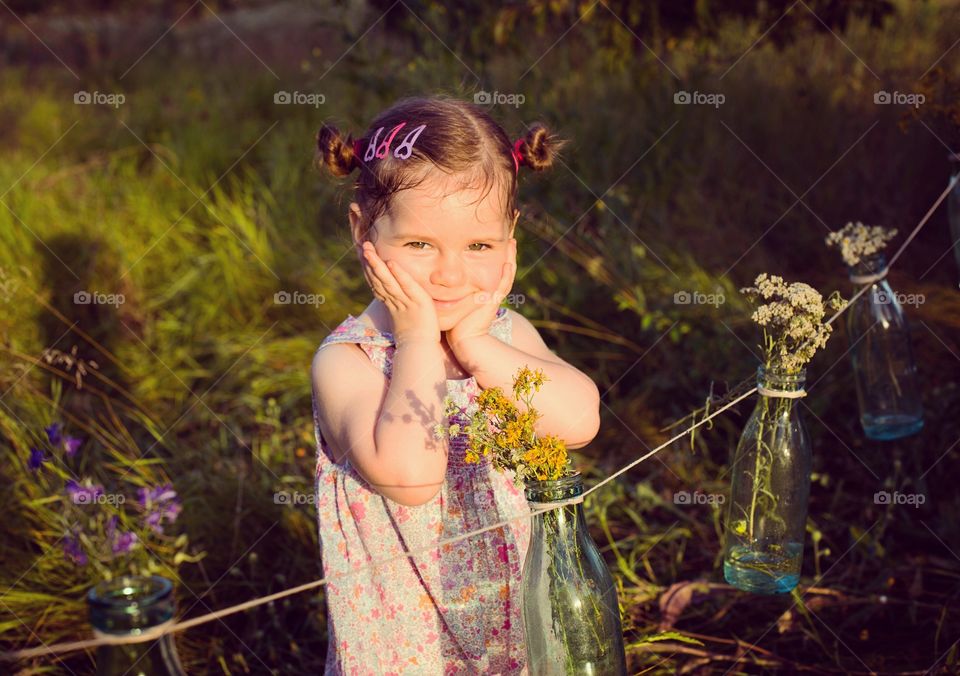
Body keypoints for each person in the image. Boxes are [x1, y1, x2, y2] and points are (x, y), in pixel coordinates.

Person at [310, 94, 602, 675]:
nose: (449, 274)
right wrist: (419, 341)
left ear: (510, 240)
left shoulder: (502, 334)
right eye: (419, 245)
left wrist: (476, 348)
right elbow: (410, 478)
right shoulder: (349, 361)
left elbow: (581, 420)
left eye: (479, 246)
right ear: (362, 229)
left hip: (513, 619)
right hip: (406, 641)